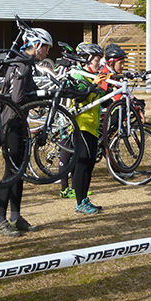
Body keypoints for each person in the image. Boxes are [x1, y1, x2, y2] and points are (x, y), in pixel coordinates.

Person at [0, 28, 52, 237]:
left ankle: (16, 217)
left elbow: (32, 93)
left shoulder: (25, 63)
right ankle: (0, 220)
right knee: (10, 172)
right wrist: (38, 97)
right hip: (11, 123)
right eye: (45, 47)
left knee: (19, 172)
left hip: (20, 122)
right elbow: (18, 98)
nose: (46, 52)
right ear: (36, 45)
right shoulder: (20, 64)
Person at [59, 42, 108, 214]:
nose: (99, 63)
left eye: (100, 60)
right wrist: (94, 86)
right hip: (81, 126)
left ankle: (85, 199)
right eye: (96, 60)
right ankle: (79, 202)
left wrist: (103, 86)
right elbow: (80, 96)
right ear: (86, 60)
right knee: (82, 163)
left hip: (93, 126)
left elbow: (102, 97)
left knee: (89, 164)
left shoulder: (90, 75)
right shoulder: (78, 76)